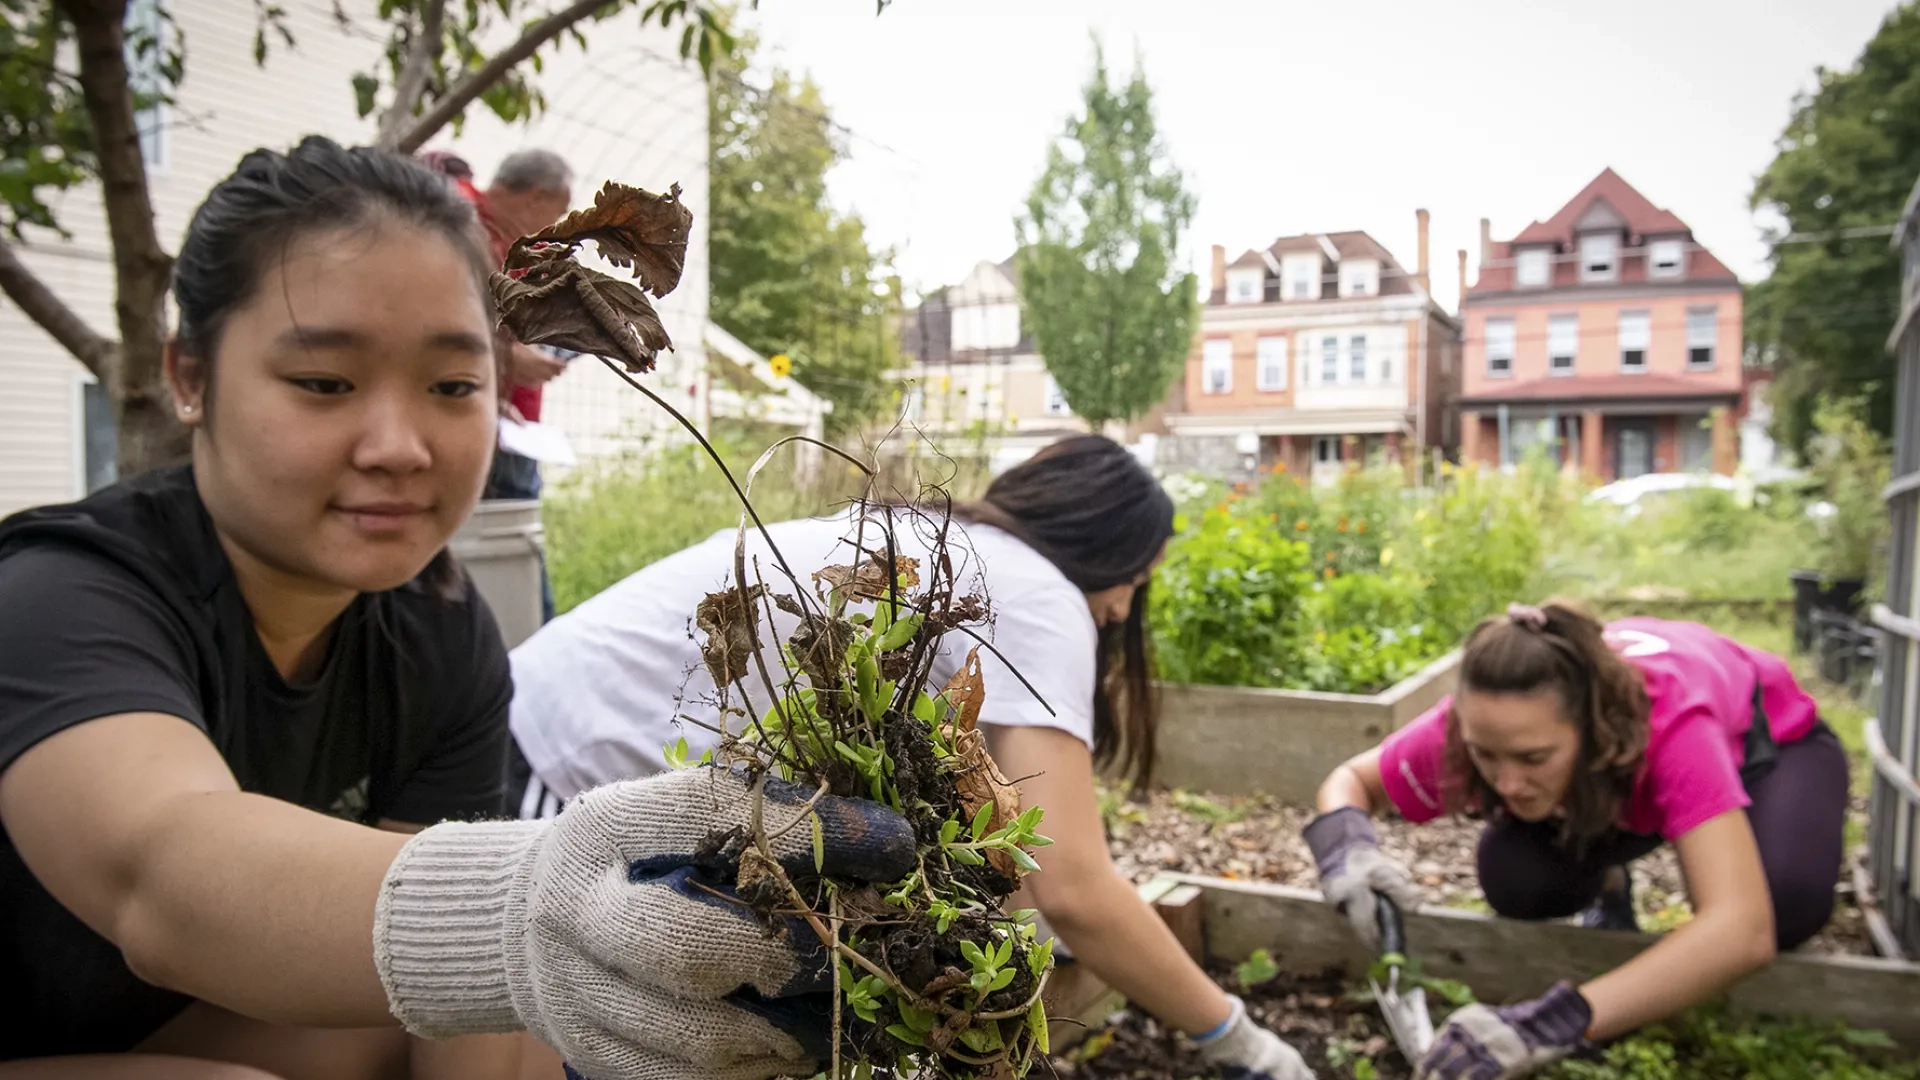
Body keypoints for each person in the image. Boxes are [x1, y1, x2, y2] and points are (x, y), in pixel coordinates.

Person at [0, 137, 913, 1080]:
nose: (399, 446)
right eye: (324, 383)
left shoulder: (439, 626)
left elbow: (444, 1001)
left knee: (486, 1009)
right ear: (190, 377)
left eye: (451, 386)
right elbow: (163, 880)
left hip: (211, 1030)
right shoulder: (62, 594)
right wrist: (529, 905)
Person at [507, 435, 1315, 1080]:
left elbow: (1003, 824)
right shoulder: (1041, 595)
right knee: (548, 1023)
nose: (1121, 609)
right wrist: (1241, 1043)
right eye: (1135, 582)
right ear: (1102, 551)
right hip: (552, 765)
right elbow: (1077, 887)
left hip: (539, 713)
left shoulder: (961, 551)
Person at [1307, 601, 1849, 1080]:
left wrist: (1550, 1024)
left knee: (1783, 903)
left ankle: (1683, 829)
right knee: (1517, 879)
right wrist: (1345, 851)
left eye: (1532, 758)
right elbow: (1350, 781)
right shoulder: (1488, 721)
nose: (1507, 783)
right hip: (1611, 781)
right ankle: (1611, 881)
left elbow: (1742, 931)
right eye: (1486, 756)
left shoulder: (1675, 727)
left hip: (1772, 748)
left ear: (1593, 728)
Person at [420, 147, 577, 623]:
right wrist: (504, 358)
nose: (557, 226)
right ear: (537, 197)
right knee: (506, 567)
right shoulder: (458, 219)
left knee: (507, 558)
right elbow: (431, 311)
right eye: (560, 211)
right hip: (477, 424)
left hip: (506, 418)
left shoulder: (516, 244)